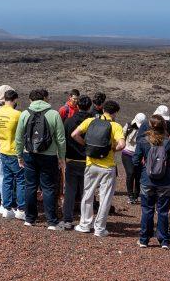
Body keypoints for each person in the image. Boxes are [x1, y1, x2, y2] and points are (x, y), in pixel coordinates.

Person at [14, 88, 67, 230]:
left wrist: (19, 156)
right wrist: (62, 157)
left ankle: (30, 219)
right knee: (48, 187)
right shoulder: (54, 114)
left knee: (30, 186)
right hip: (49, 155)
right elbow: (61, 139)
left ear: (30, 100)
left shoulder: (25, 114)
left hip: (29, 154)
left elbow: (18, 138)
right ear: (44, 98)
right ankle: (51, 222)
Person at [71, 100, 125, 237]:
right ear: (115, 113)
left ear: (103, 109)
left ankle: (84, 224)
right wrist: (112, 149)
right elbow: (122, 145)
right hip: (107, 167)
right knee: (105, 197)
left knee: (87, 194)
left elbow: (74, 134)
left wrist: (86, 145)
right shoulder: (115, 126)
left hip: (91, 163)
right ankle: (99, 228)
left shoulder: (90, 121)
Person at [132, 114, 170, 249]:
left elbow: (135, 160)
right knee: (163, 211)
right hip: (164, 181)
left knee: (147, 210)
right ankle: (164, 241)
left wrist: (144, 167)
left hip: (147, 180)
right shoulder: (168, 142)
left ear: (149, 126)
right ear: (164, 126)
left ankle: (144, 239)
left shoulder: (143, 141)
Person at [0, 89, 26, 220]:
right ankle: (21, 209)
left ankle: (7, 208)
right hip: (14, 151)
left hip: (3, 149)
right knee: (20, 180)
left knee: (7, 179)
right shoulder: (17, 114)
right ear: (15, 99)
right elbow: (22, 133)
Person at [62, 95, 93, 229]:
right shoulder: (93, 122)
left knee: (70, 191)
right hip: (88, 160)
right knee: (87, 192)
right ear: (89, 107)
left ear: (77, 106)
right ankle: (85, 220)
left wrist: (62, 158)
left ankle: (67, 219)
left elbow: (63, 140)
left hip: (71, 159)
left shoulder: (68, 121)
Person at [122, 112, 147, 205]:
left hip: (140, 154)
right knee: (130, 173)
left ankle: (136, 195)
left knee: (138, 176)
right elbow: (122, 136)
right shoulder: (129, 125)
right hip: (127, 153)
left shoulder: (147, 129)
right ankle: (130, 195)